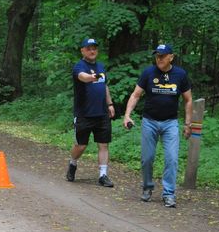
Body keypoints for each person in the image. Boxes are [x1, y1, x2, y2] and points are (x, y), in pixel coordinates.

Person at [123, 44, 192, 208]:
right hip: (150, 122)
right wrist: (127, 114)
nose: (159, 59)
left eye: (162, 56)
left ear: (171, 57)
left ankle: (169, 193)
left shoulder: (180, 74)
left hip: (171, 123)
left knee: (172, 159)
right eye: (157, 56)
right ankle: (147, 188)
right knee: (147, 159)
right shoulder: (148, 73)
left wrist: (188, 124)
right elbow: (135, 95)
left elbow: (188, 100)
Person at [66, 38, 115, 187]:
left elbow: (104, 86)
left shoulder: (101, 66)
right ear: (82, 50)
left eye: (94, 48)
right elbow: (82, 77)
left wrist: (110, 104)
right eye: (88, 48)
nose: (92, 51)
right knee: (81, 145)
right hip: (84, 114)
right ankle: (73, 163)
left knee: (103, 144)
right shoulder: (79, 66)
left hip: (102, 113)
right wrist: (92, 77)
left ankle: (103, 175)